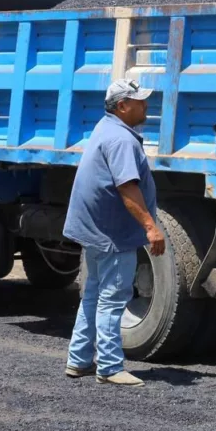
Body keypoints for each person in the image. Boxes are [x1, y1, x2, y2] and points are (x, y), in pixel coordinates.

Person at [62, 78, 165, 386]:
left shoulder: (105, 128)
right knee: (112, 296)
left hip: (95, 230)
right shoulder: (121, 140)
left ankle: (78, 360)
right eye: (140, 101)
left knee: (93, 293)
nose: (146, 105)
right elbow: (127, 187)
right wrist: (151, 226)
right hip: (112, 234)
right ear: (122, 106)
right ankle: (108, 367)